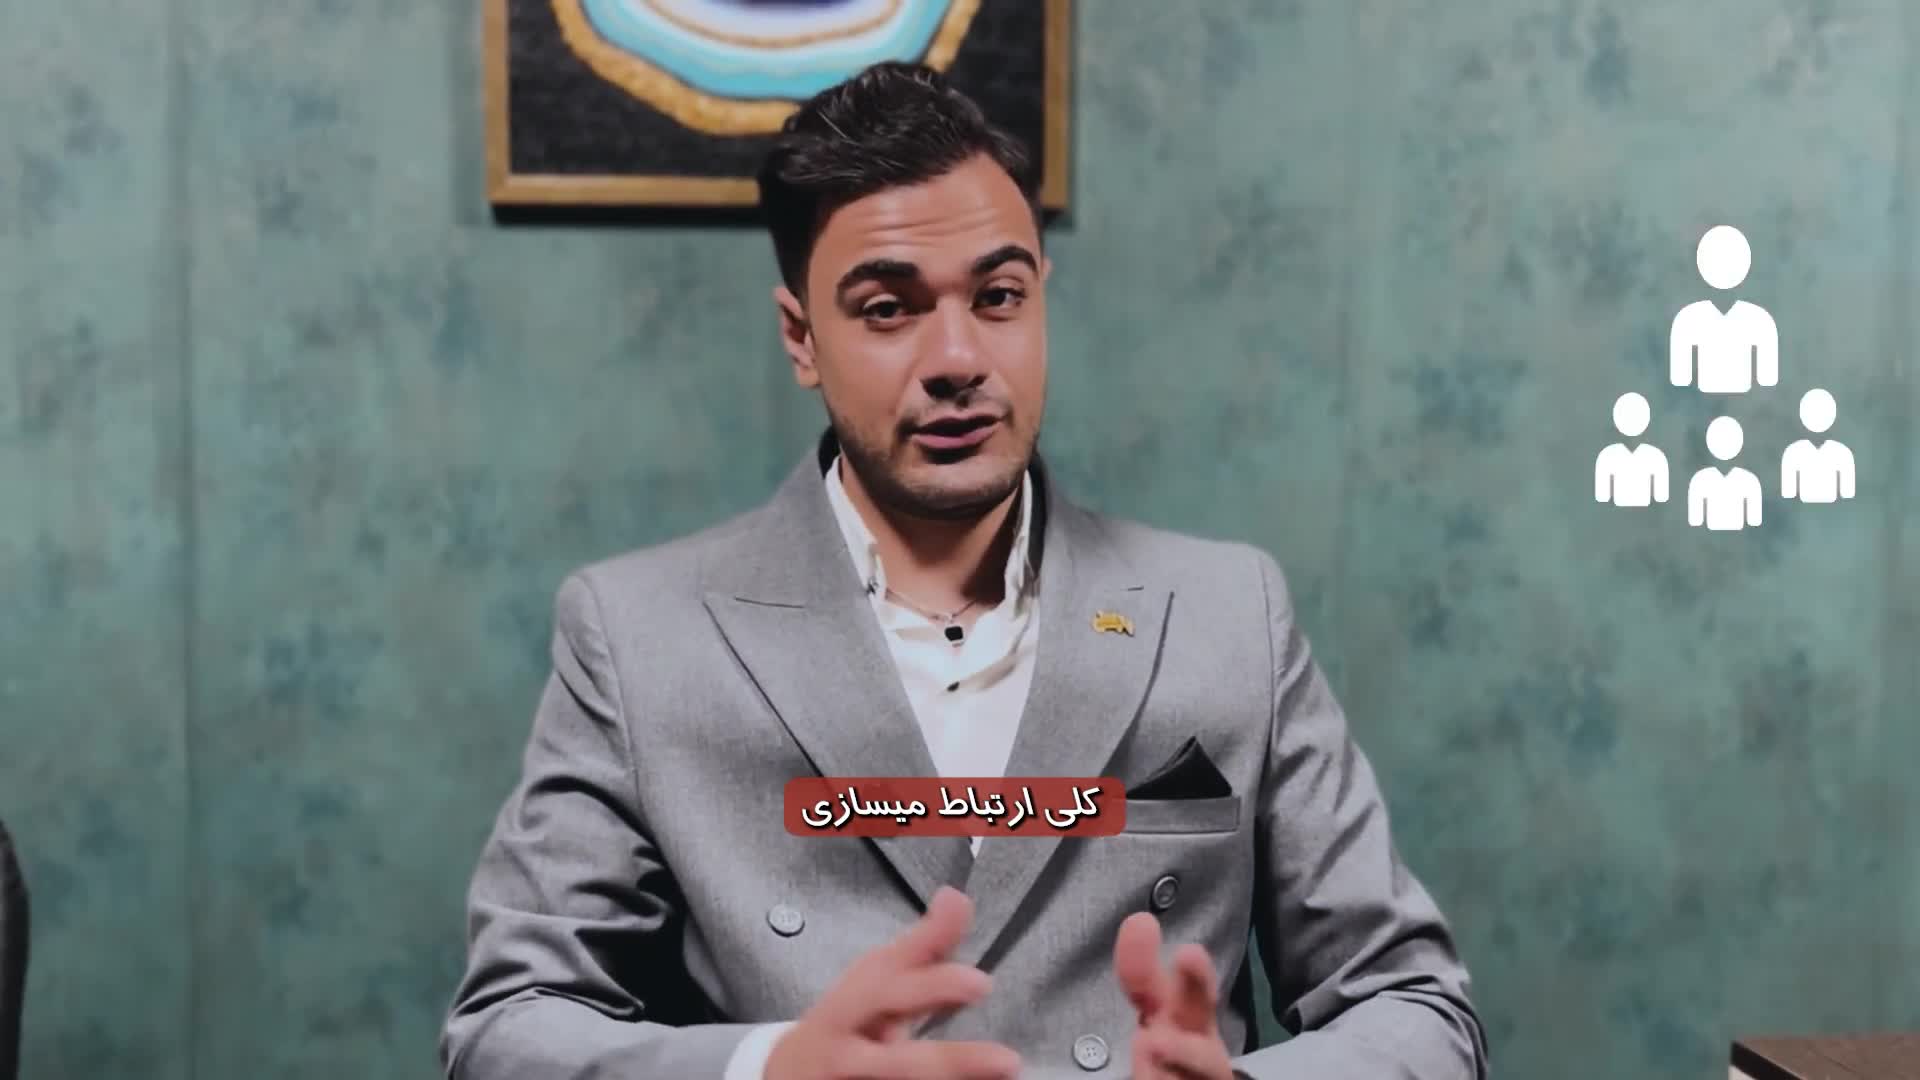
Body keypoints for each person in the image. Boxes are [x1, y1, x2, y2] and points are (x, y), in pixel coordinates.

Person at [440, 62, 1486, 1080]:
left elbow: (1418, 1010)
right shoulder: (637, 637)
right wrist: (770, 1069)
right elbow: (506, 1031)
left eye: (997, 295)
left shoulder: (1227, 615)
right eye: (887, 308)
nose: (957, 359)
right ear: (801, 337)